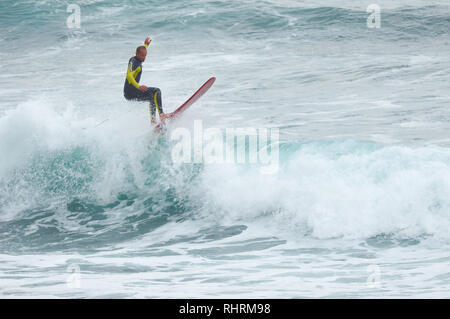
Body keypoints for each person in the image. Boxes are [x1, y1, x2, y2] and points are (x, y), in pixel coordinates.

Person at [123, 37, 168, 124]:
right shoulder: (135, 63)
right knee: (157, 91)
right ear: (138, 54)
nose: (144, 58)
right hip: (131, 92)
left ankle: (153, 121)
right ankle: (162, 114)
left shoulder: (135, 57)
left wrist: (145, 45)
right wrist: (138, 86)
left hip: (129, 92)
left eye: (145, 55)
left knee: (152, 97)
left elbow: (139, 51)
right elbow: (129, 76)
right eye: (143, 56)